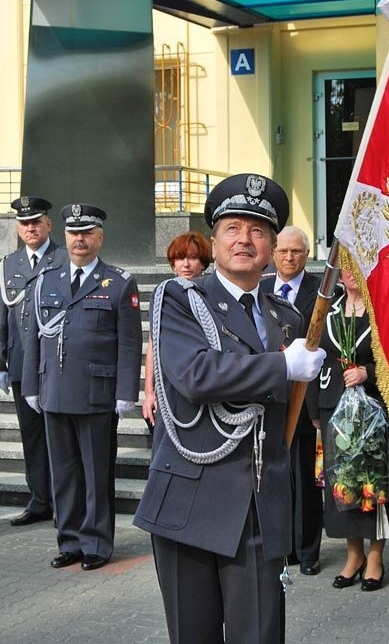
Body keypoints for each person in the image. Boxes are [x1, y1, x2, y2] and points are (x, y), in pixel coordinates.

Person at [133, 173, 326, 644]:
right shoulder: (180, 298)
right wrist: (281, 365)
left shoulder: (288, 317)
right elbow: (195, 375)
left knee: (260, 635)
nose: (245, 239)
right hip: (191, 499)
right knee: (194, 635)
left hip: (259, 504)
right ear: (214, 241)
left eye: (258, 230)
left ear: (272, 244)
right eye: (233, 228)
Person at [21, 203, 142, 570]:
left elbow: (129, 342)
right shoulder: (47, 279)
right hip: (54, 391)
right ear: (65, 236)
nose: (80, 239)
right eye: (74, 233)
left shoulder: (119, 283)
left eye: (87, 233)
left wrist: (126, 392)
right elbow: (34, 337)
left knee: (95, 474)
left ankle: (96, 544)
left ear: (100, 237)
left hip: (96, 395)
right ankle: (70, 540)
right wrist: (31, 384)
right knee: (65, 475)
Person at [307, 268, 389, 592]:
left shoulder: (382, 312)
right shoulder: (327, 310)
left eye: (357, 264)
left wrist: (369, 372)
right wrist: (314, 410)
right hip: (334, 410)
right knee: (342, 484)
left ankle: (375, 556)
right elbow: (313, 359)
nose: (351, 272)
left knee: (374, 487)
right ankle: (354, 555)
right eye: (345, 265)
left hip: (372, 411)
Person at [261, 225, 324, 576]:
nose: (289, 257)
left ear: (306, 255)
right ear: (273, 253)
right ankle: (282, 547)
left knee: (304, 478)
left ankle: (308, 549)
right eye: (283, 251)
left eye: (296, 252)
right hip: (271, 396)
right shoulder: (263, 287)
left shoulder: (319, 292)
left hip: (306, 399)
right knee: (276, 479)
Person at [0, 196, 64, 526]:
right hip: (21, 364)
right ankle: (40, 500)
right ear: (18, 228)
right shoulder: (8, 265)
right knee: (32, 438)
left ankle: (65, 504)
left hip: (56, 364)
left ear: (48, 225)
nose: (30, 228)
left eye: (36, 222)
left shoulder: (64, 258)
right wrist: (1, 361)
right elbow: (2, 315)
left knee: (60, 437)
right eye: (24, 223)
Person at [142, 231, 211, 427]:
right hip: (169, 386)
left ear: (203, 263)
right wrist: (149, 393)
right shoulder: (163, 295)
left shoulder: (213, 295)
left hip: (201, 382)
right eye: (180, 258)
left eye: (193, 258)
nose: (186, 265)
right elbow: (153, 346)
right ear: (173, 264)